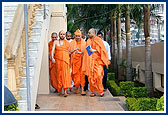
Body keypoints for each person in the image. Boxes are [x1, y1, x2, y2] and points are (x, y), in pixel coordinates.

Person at [82, 28, 109, 97]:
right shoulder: (88, 41)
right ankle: (92, 91)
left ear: (94, 33)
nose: (88, 34)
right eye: (88, 33)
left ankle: (100, 90)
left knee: (99, 76)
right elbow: (87, 51)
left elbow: (102, 50)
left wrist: (93, 50)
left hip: (98, 61)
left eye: (89, 33)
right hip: (90, 61)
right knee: (91, 77)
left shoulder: (99, 40)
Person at [51, 30, 71, 97]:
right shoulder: (55, 42)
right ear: (59, 35)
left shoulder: (67, 42)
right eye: (61, 34)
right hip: (58, 61)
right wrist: (52, 58)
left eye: (63, 34)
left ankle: (65, 90)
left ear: (65, 35)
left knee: (65, 75)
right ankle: (60, 90)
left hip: (65, 61)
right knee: (59, 75)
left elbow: (69, 52)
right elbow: (52, 50)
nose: (62, 35)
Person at [70, 29, 86, 95]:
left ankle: (82, 89)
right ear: (74, 36)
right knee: (75, 76)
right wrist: (74, 50)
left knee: (82, 76)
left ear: (81, 36)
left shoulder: (84, 43)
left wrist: (82, 52)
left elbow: (87, 52)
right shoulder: (71, 43)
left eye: (79, 36)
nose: (77, 37)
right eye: (76, 36)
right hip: (74, 62)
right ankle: (77, 88)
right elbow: (69, 52)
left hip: (82, 62)